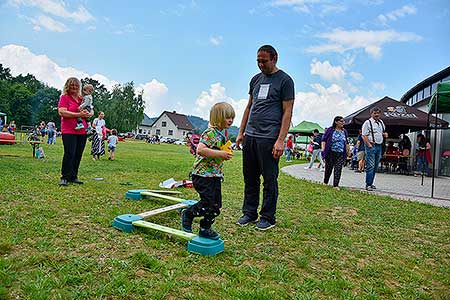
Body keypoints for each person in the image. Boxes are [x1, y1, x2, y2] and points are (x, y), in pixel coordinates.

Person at [235, 45, 295, 230]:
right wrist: (241, 132)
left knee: (269, 179)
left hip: (269, 138)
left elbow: (287, 112)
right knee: (250, 177)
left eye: (264, 61)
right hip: (251, 136)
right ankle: (249, 213)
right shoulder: (255, 80)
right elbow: (249, 107)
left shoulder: (285, 81)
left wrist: (280, 140)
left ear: (274, 58)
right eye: (258, 61)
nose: (260, 64)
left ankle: (268, 217)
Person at [181, 102, 235, 239]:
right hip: (202, 175)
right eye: (227, 117)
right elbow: (201, 150)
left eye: (232, 117)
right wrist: (220, 154)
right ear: (217, 118)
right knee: (208, 203)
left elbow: (216, 153)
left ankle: (205, 228)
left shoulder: (221, 136)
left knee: (216, 206)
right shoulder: (210, 133)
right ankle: (188, 214)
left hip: (214, 176)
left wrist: (225, 153)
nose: (231, 120)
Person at [58, 77, 93, 186]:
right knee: (70, 153)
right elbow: (62, 112)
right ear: (67, 86)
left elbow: (91, 108)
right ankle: (65, 177)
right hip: (68, 130)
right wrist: (79, 115)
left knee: (78, 154)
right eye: (72, 85)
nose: (74, 87)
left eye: (76, 85)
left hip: (82, 131)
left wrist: (90, 113)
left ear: (79, 87)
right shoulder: (64, 97)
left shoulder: (81, 98)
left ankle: (74, 176)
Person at [361, 106, 388, 191]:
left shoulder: (381, 122)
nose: (376, 114)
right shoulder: (367, 122)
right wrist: (369, 145)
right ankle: (368, 184)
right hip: (371, 145)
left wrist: (384, 134)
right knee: (370, 165)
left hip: (379, 146)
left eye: (378, 113)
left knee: (376, 166)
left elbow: (382, 132)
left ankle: (371, 183)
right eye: (375, 113)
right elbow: (364, 135)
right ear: (371, 113)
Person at [321, 116, 350, 190]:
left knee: (338, 169)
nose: (343, 122)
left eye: (343, 121)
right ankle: (325, 182)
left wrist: (348, 151)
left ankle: (335, 185)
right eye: (341, 121)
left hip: (340, 153)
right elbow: (324, 140)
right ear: (336, 122)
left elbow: (346, 142)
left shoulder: (344, 131)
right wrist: (323, 150)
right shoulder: (330, 130)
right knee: (329, 168)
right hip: (330, 152)